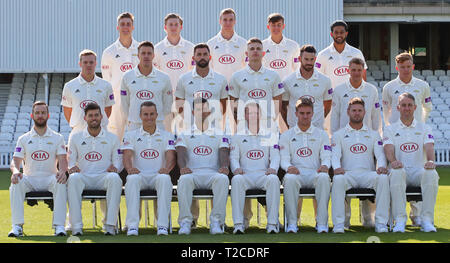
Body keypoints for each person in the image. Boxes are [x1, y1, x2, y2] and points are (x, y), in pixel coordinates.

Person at [382, 53, 433, 227]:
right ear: (397, 67)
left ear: (413, 66)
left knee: (420, 170)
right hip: (396, 135)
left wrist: (419, 125)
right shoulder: (389, 87)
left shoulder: (422, 85)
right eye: (402, 66)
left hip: (417, 134)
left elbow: (427, 108)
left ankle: (417, 216)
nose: (405, 69)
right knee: (397, 172)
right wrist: (393, 127)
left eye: (408, 66)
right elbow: (385, 111)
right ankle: (396, 216)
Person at [9, 101, 68, 237]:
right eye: (37, 113)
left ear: (48, 115)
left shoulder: (57, 137)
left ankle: (59, 226)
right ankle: (17, 226)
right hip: (30, 179)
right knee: (16, 182)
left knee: (60, 182)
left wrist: (63, 172)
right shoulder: (23, 139)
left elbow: (63, 159)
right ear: (32, 115)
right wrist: (16, 171)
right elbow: (15, 161)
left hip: (50, 178)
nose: (40, 115)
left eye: (43, 113)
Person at [330, 98, 390, 233]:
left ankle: (381, 223)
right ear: (348, 112)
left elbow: (380, 155)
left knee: (383, 178)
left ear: (364, 113)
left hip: (367, 174)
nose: (357, 113)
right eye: (354, 110)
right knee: (338, 180)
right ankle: (339, 224)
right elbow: (335, 155)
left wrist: (380, 166)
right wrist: (336, 168)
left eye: (359, 110)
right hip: (347, 174)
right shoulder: (338, 135)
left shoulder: (374, 135)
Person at [383, 92, 439, 233]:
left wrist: (431, 161)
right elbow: (388, 149)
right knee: (396, 172)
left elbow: (429, 147)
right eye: (403, 105)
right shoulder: (390, 129)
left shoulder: (425, 128)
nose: (406, 108)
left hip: (418, 170)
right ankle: (400, 221)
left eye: (409, 105)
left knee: (431, 174)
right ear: (398, 108)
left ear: (415, 107)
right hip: (400, 171)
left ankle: (426, 220)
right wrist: (394, 161)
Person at [175, 98, 230, 235]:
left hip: (212, 173)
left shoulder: (219, 133)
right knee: (184, 180)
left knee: (222, 179)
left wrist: (224, 166)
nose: (202, 113)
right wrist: (183, 167)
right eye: (199, 110)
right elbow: (180, 153)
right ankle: (186, 222)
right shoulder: (185, 133)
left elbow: (224, 152)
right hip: (193, 174)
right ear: (194, 112)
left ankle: (216, 222)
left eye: (205, 110)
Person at [66, 103, 122, 236]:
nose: (94, 118)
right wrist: (72, 167)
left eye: (96, 115)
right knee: (73, 178)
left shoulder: (112, 138)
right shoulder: (75, 137)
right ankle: (77, 226)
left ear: (101, 116)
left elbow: (118, 161)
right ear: (85, 118)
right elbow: (71, 161)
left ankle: (110, 225)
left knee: (115, 178)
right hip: (84, 177)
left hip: (104, 177)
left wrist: (116, 168)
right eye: (90, 115)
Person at [122, 101, 176, 236]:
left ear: (157, 115)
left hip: (158, 175)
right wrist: (130, 169)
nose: (149, 117)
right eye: (145, 114)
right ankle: (133, 226)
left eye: (152, 114)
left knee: (164, 179)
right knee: (132, 179)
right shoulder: (130, 135)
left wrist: (167, 169)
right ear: (140, 116)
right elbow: (127, 156)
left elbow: (171, 156)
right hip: (140, 175)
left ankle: (162, 225)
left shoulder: (167, 135)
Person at [280, 98, 331, 233]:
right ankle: (291, 223)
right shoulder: (286, 135)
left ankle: (321, 223)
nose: (305, 116)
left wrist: (325, 165)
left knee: (324, 178)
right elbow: (284, 158)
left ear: (313, 114)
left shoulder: (322, 134)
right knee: (289, 179)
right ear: (296, 113)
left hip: (314, 173)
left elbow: (326, 156)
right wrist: (289, 167)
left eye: (308, 113)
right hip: (296, 174)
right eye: (302, 113)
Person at [230, 102, 281, 234]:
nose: (253, 116)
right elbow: (233, 158)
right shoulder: (237, 136)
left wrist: (273, 168)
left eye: (256, 113)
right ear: (245, 116)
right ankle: (238, 224)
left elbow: (275, 156)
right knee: (236, 180)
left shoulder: (270, 135)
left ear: (261, 115)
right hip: (245, 175)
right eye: (250, 113)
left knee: (274, 180)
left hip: (263, 175)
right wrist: (236, 169)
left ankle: (272, 224)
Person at [229, 37, 285, 133]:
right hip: (245, 126)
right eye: (252, 49)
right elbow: (232, 103)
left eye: (258, 49)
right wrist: (240, 121)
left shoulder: (273, 75)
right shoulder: (236, 76)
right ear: (246, 54)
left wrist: (271, 119)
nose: (255, 51)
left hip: (268, 125)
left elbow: (278, 101)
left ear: (263, 53)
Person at [102, 12, 140, 141]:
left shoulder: (140, 49)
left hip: (136, 98)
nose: (125, 27)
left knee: (137, 136)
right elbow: (107, 81)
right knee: (115, 137)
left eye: (128, 24)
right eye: (122, 24)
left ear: (133, 27)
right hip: (117, 100)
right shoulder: (109, 52)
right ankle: (115, 161)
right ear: (117, 27)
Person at [121, 41, 173, 131]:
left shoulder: (164, 78)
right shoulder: (127, 76)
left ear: (153, 55)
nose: (146, 56)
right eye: (143, 53)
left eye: (149, 53)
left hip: (158, 126)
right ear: (138, 55)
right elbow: (124, 104)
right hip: (134, 126)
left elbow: (168, 105)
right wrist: (133, 119)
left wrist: (156, 119)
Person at [175, 43, 228, 131]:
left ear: (210, 57)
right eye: (199, 54)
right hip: (190, 129)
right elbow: (179, 104)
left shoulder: (221, 79)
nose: (202, 57)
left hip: (214, 130)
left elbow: (224, 105)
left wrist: (213, 119)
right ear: (193, 58)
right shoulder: (184, 78)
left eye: (205, 54)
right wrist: (189, 120)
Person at [62, 49, 115, 135]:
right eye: (85, 62)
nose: (88, 65)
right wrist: (78, 125)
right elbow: (67, 110)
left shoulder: (106, 85)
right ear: (80, 64)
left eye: (91, 62)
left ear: (95, 64)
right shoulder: (69, 86)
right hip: (78, 132)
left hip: (101, 132)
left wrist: (96, 124)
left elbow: (108, 109)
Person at [331, 58, 381, 134]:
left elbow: (376, 115)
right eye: (353, 70)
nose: (356, 73)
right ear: (348, 71)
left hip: (366, 136)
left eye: (359, 70)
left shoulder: (372, 90)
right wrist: (334, 136)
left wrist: (377, 135)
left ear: (363, 71)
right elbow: (335, 115)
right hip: (344, 137)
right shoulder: (339, 90)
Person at [315, 20, 367, 91]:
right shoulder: (323, 54)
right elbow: (318, 78)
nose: (339, 35)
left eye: (342, 32)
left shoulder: (356, 53)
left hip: (352, 98)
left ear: (346, 33)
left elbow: (363, 76)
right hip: (331, 98)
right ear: (331, 34)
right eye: (336, 32)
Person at [154, 13, 195, 93]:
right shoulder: (157, 49)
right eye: (170, 25)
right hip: (164, 95)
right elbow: (155, 74)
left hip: (185, 94)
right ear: (165, 27)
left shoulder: (191, 48)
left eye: (176, 24)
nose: (173, 27)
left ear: (181, 27)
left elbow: (194, 72)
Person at [207, 8, 247, 82]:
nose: (228, 23)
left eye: (231, 20)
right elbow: (208, 68)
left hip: (237, 87)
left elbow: (247, 67)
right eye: (225, 20)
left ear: (235, 22)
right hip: (218, 87)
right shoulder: (211, 43)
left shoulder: (243, 43)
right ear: (220, 21)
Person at [262, 13, 300, 82]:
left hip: (288, 87)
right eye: (273, 25)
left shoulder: (293, 46)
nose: (276, 28)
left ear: (283, 26)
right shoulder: (262, 46)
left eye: (279, 25)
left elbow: (297, 68)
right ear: (268, 27)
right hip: (269, 87)